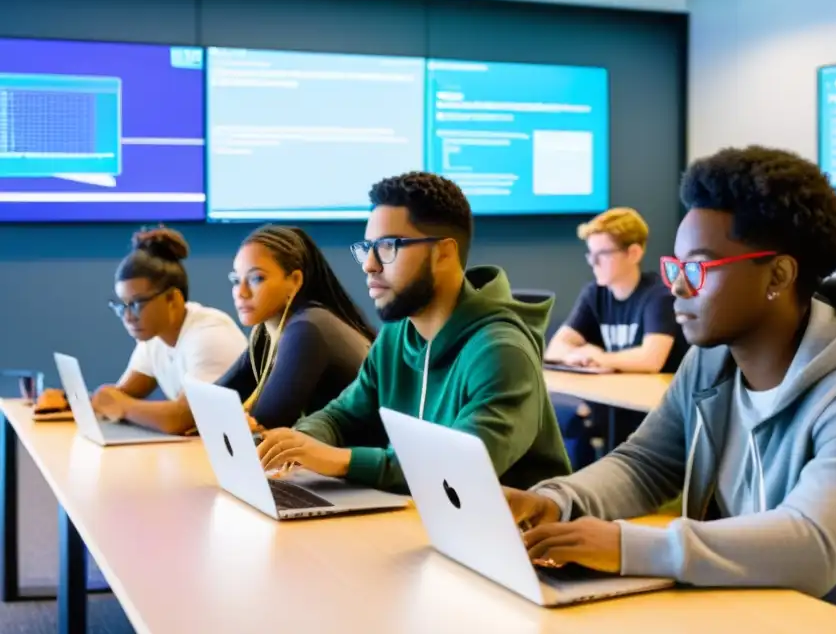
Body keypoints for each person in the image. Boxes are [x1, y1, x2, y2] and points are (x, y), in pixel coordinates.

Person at [504, 146, 836, 634]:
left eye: (698, 269)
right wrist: (555, 501)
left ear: (778, 275)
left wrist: (625, 545)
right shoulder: (710, 362)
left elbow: (812, 546)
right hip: (751, 615)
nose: (677, 289)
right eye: (675, 269)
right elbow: (645, 464)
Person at [255, 171, 571, 492]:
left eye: (388, 246)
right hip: (418, 519)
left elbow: (458, 468)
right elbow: (341, 417)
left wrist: (341, 460)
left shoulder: (502, 351)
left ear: (443, 253)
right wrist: (299, 443)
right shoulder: (396, 335)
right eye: (367, 248)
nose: (370, 265)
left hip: (512, 535)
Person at [93, 225, 376, 434]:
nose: (240, 292)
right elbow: (208, 406)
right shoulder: (266, 334)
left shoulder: (308, 329)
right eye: (235, 279)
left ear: (295, 280)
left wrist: (226, 422)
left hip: (377, 488)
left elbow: (263, 425)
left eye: (256, 279)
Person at [544, 207, 687, 468]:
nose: (593, 262)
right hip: (616, 407)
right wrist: (577, 355)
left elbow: (651, 358)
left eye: (603, 254)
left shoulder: (659, 296)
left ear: (633, 253)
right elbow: (555, 348)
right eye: (591, 255)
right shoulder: (595, 294)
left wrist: (598, 356)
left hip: (656, 416)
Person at [91, 227, 246, 420]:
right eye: (123, 305)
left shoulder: (210, 334)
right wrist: (65, 401)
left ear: (173, 299)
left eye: (137, 303)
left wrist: (121, 406)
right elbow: (117, 396)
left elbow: (183, 418)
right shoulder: (153, 339)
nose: (128, 316)